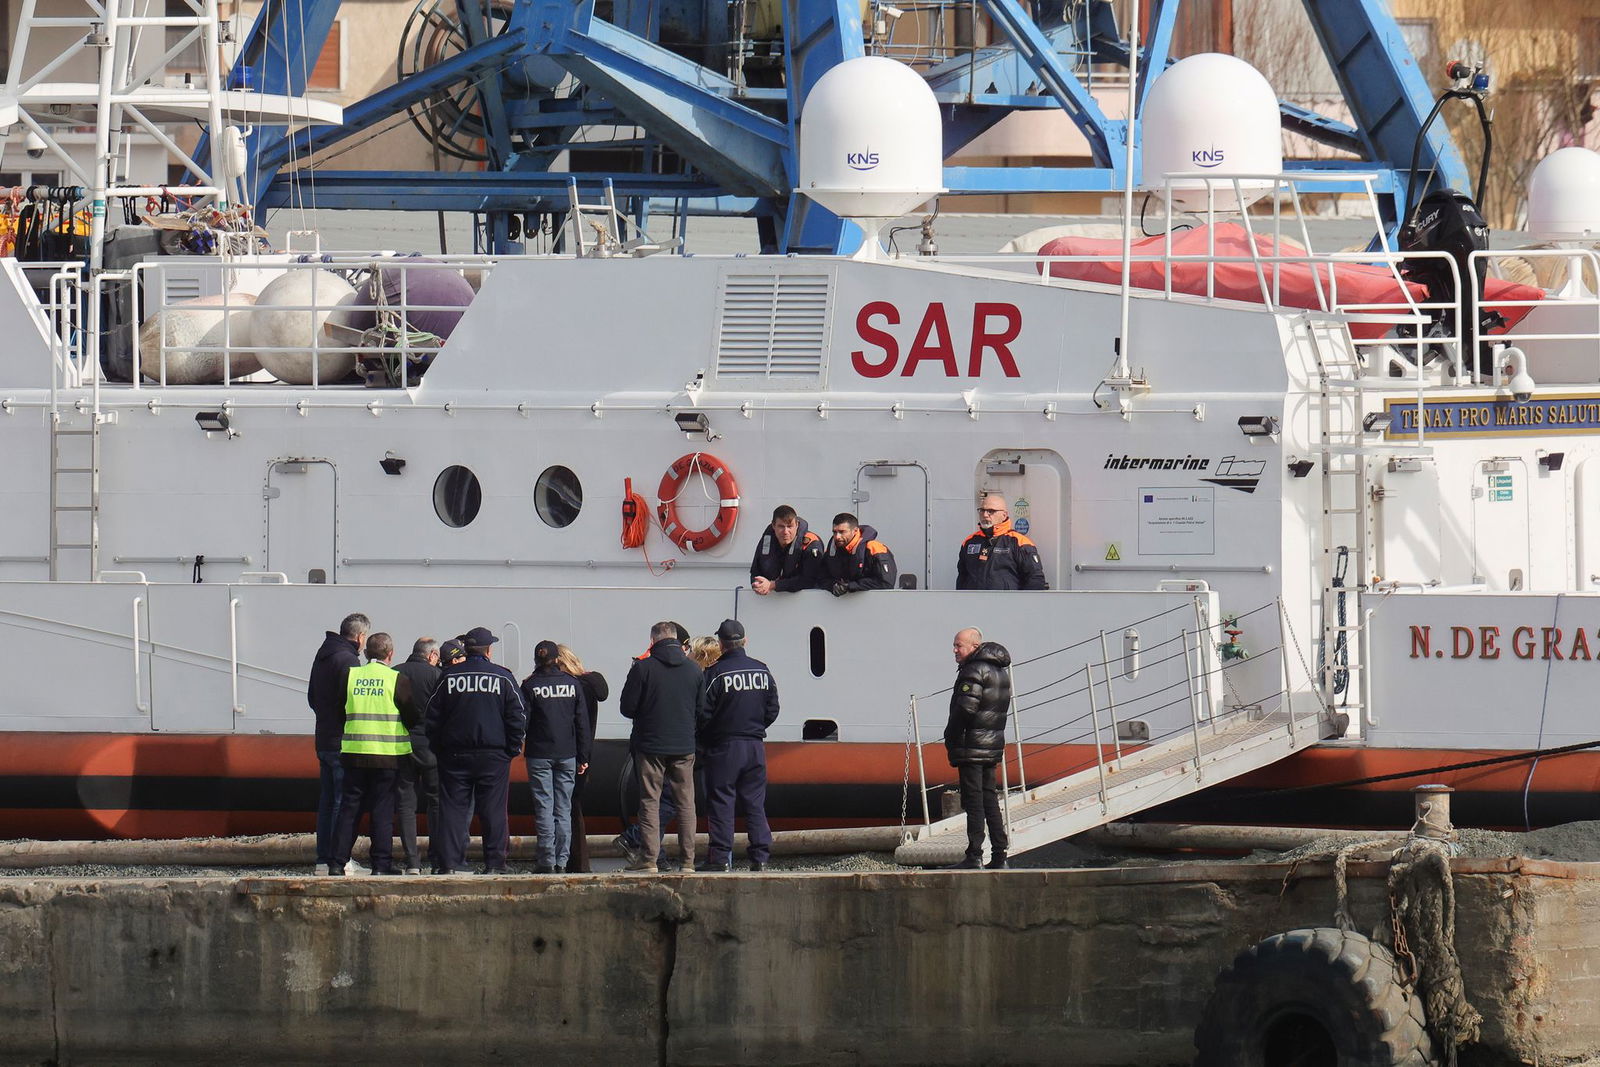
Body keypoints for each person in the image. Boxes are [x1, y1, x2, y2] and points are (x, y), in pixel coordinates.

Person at [424, 626, 526, 874]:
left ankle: (448, 864)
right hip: (493, 755)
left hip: (454, 755)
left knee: (452, 811)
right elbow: (518, 715)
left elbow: (432, 717)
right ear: (489, 650)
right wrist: (511, 749)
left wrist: (440, 748)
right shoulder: (502, 677)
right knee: (493, 811)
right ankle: (495, 864)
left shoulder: (448, 677)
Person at [619, 620, 705, 873]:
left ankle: (649, 860)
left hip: (651, 745)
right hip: (684, 746)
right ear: (678, 640)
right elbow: (701, 710)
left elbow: (627, 708)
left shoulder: (643, 669)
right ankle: (688, 862)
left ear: (653, 641)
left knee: (650, 801)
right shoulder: (694, 670)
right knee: (686, 803)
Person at [328, 632, 416, 876]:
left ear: (366, 653)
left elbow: (338, 710)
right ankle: (381, 864)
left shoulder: (351, 675)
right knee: (382, 810)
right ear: (390, 654)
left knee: (349, 809)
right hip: (387, 755)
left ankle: (337, 863)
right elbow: (412, 716)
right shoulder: (397, 679)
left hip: (354, 753)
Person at [696, 619, 779, 873]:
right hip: (755, 746)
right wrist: (754, 727)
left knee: (722, 800)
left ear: (720, 644)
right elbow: (773, 709)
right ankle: (761, 857)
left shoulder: (715, 673)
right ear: (744, 641)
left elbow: (702, 713)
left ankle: (720, 858)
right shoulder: (762, 670)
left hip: (725, 747)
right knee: (755, 802)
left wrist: (708, 737)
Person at [942, 627, 1011, 870]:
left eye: (958, 645)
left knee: (974, 801)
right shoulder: (1000, 671)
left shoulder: (974, 670)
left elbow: (966, 709)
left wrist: (950, 734)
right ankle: (1000, 855)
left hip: (972, 745)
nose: (954, 650)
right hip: (991, 744)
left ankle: (974, 855)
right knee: (990, 798)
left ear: (973, 646)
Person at [520, 640, 592, 873]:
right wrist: (583, 756)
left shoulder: (530, 686)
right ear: (557, 659)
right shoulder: (571, 684)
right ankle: (562, 862)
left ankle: (547, 862)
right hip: (567, 753)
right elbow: (582, 723)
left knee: (544, 808)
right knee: (563, 808)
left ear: (536, 660)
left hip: (539, 754)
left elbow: (524, 722)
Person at [307, 612, 369, 876]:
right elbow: (353, 701)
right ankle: (339, 860)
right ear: (360, 636)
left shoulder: (322, 657)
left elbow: (312, 698)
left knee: (328, 800)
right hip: (342, 740)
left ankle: (324, 859)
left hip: (323, 737)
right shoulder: (348, 661)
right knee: (343, 803)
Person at [393, 636, 443, 875]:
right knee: (436, 802)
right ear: (432, 655)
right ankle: (436, 859)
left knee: (405, 804)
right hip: (431, 746)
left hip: (401, 745)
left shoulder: (395, 672)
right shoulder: (437, 676)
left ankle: (412, 861)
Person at [557, 644, 608, 873]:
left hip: (568, 752)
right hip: (585, 753)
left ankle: (568, 860)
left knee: (564, 806)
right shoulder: (589, 685)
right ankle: (578, 861)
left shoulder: (569, 687)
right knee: (573, 805)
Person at [956, 494, 1048, 590]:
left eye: (991, 511)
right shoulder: (969, 542)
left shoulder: (1019, 542)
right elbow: (962, 577)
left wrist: (1024, 604)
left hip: (1008, 603)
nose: (985, 515)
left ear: (1004, 515)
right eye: (982, 510)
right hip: (975, 603)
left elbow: (1035, 579)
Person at [749, 505, 824, 594]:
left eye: (789, 526)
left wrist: (773, 585)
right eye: (781, 526)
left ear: (797, 525)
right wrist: (758, 584)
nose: (785, 532)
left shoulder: (811, 544)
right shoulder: (767, 541)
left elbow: (809, 580)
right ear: (773, 526)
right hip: (772, 600)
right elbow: (755, 571)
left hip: (808, 599)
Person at [822, 512, 897, 595]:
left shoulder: (875, 549)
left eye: (842, 532)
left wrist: (851, 586)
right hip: (838, 605)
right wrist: (833, 585)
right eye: (834, 532)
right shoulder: (831, 551)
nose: (837, 537)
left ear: (855, 531)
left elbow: (886, 582)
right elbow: (821, 579)